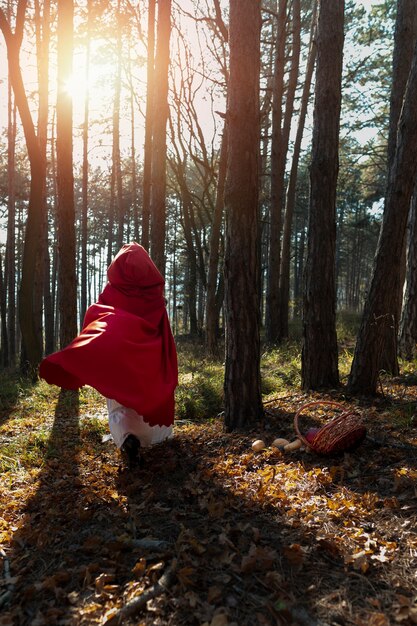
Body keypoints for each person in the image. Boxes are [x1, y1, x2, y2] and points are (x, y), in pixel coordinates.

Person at [39, 242, 178, 467]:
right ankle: (151, 440)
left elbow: (98, 321)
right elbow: (165, 336)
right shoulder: (154, 297)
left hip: (119, 364)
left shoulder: (112, 293)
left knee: (119, 405)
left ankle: (127, 439)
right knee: (148, 397)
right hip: (148, 365)